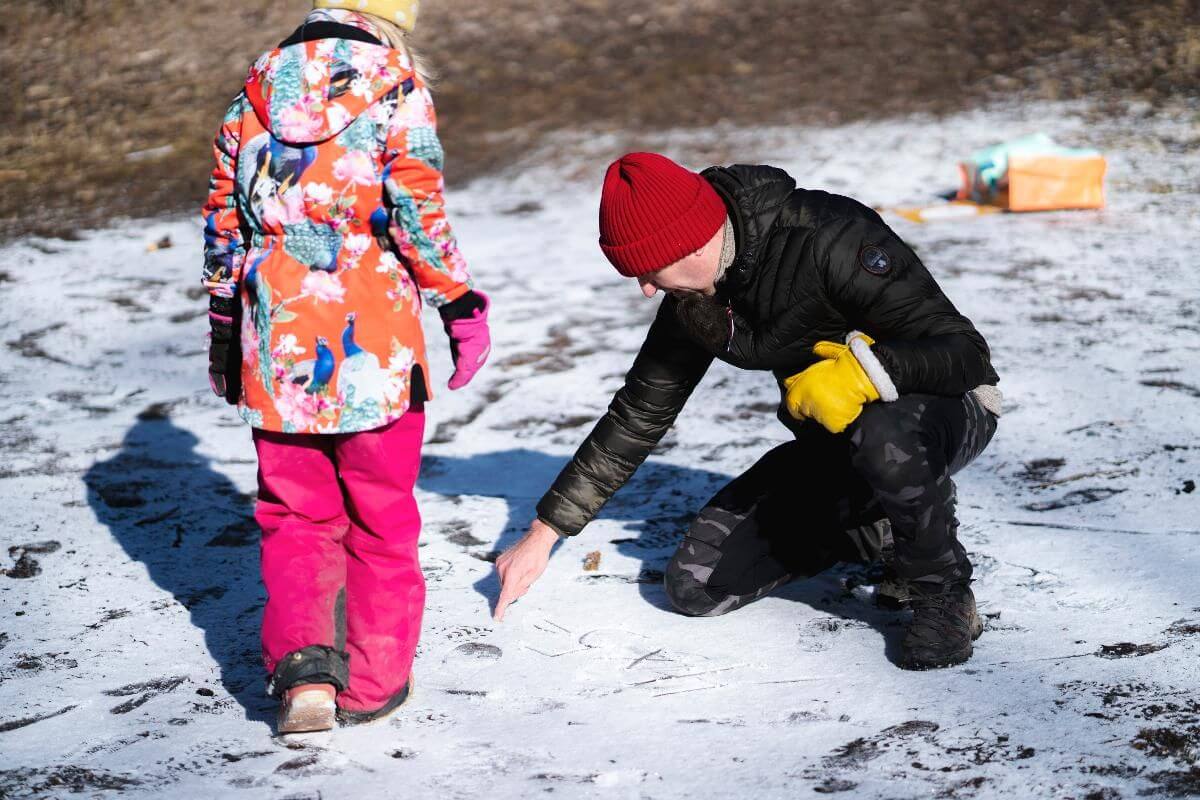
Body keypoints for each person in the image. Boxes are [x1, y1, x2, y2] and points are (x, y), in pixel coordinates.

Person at [494, 152, 1000, 670]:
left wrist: (863, 373)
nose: (645, 287)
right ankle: (884, 522)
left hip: (949, 411)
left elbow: (966, 354)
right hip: (839, 445)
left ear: (692, 242)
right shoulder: (694, 301)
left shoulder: (830, 237)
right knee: (697, 585)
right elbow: (639, 414)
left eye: (648, 269)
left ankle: (944, 596)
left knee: (884, 436)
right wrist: (544, 533)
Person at [200, 0, 491, 732]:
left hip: (278, 338)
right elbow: (417, 209)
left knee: (296, 513)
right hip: (375, 345)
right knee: (380, 516)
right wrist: (459, 303)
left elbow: (224, 221)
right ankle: (371, 682)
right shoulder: (395, 85)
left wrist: (225, 326)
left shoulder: (253, 91)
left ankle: (306, 675)